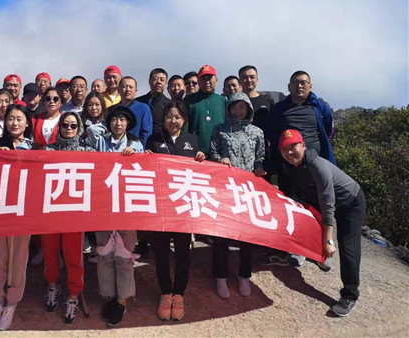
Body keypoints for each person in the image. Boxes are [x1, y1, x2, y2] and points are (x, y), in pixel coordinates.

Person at [278, 129, 365, 317]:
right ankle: (319, 256)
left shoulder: (317, 166)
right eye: (284, 149)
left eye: (293, 147)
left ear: (303, 146)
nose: (289, 152)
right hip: (320, 201)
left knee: (348, 247)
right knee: (304, 218)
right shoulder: (290, 166)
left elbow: (328, 205)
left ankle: (350, 295)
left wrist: (328, 240)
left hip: (350, 202)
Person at [145, 101, 204, 321]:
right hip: (160, 206)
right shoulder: (154, 140)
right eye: (169, 117)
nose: (173, 121)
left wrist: (201, 157)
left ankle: (179, 294)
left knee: (182, 253)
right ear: (163, 120)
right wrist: (145, 156)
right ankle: (165, 293)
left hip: (182, 207)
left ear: (184, 120)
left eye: (178, 117)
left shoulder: (191, 140)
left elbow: (199, 170)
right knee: (160, 252)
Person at [86, 105, 144, 327]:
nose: (118, 123)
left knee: (124, 254)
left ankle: (122, 300)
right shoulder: (101, 141)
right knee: (104, 252)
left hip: (127, 206)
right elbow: (90, 133)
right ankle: (108, 296)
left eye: (122, 120)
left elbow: (143, 171)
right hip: (103, 205)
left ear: (128, 123)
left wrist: (135, 156)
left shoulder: (136, 145)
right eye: (114, 119)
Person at [209, 92, 266, 299]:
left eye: (242, 107)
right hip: (224, 189)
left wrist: (259, 168)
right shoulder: (220, 130)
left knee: (247, 237)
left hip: (247, 190)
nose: (238, 111)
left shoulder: (257, 132)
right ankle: (220, 276)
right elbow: (212, 152)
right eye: (234, 107)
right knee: (221, 236)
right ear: (228, 109)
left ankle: (244, 275)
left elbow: (260, 157)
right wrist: (220, 159)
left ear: (249, 109)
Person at [0, 105, 34, 330]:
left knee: (19, 259)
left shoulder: (35, 148)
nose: (15, 123)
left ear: (27, 123)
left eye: (19, 119)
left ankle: (12, 303)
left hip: (23, 211)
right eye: (11, 119)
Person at [43, 112, 94, 323]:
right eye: (65, 125)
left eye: (74, 125)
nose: (69, 129)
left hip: (75, 214)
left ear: (79, 127)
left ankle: (73, 295)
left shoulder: (88, 152)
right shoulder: (48, 150)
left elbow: (104, 171)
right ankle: (52, 286)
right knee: (50, 253)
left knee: (74, 256)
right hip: (51, 212)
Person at [267, 71, 335, 169]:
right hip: (288, 164)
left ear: (310, 87)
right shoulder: (278, 109)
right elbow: (273, 134)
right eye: (295, 82)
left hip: (317, 162)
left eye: (303, 83)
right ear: (289, 87)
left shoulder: (320, 107)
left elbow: (329, 130)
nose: (299, 86)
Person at [184, 65, 226, 156]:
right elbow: (185, 128)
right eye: (203, 79)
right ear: (199, 81)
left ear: (216, 80)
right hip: (196, 153)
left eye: (209, 78)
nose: (207, 82)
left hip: (219, 153)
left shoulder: (222, 100)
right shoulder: (189, 100)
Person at [238, 65, 274, 135]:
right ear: (239, 81)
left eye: (252, 77)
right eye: (245, 77)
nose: (249, 80)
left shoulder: (267, 101)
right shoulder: (235, 103)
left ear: (257, 79)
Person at [119, 76, 153, 146]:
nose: (128, 89)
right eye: (124, 87)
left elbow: (146, 133)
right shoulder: (112, 109)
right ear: (118, 90)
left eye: (131, 87)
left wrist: (137, 148)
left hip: (136, 149)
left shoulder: (144, 108)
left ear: (136, 91)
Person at [136, 68, 171, 134]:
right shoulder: (138, 102)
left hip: (160, 138)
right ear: (149, 81)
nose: (159, 82)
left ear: (166, 83)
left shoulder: (169, 104)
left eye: (162, 80)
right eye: (155, 79)